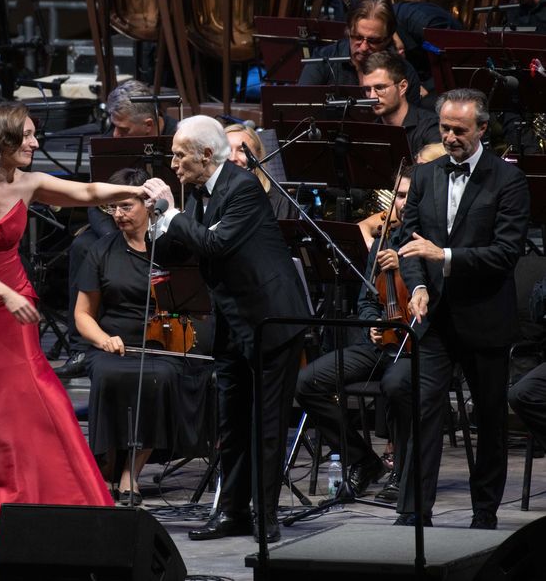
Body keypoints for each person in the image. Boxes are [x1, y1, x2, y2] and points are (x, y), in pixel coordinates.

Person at [0, 101, 148, 541]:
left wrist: (137, 193)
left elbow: (89, 193)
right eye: (29, 135)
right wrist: (5, 294)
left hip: (13, 299)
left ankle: (41, 494)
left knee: (32, 392)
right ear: (3, 139)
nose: (37, 143)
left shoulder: (30, 182)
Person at [143, 115, 309, 543]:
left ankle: (266, 517)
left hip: (271, 319)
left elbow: (215, 244)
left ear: (204, 154)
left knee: (267, 423)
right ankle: (233, 511)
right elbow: (174, 248)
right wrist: (157, 220)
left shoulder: (243, 187)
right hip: (233, 323)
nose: (173, 162)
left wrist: (175, 212)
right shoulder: (197, 193)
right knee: (232, 423)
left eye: (180, 154)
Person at [396, 88, 530, 528]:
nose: (450, 137)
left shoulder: (507, 181)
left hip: (486, 316)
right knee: (424, 408)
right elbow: (410, 242)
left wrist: (446, 258)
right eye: (445, 128)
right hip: (434, 318)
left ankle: (485, 513)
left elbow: (506, 253)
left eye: (460, 130)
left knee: (489, 417)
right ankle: (416, 513)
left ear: (481, 129)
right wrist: (416, 285)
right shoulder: (427, 174)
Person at [74, 167, 210, 505]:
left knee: (160, 376)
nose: (118, 215)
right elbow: (82, 314)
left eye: (125, 207)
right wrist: (103, 339)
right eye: (112, 208)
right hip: (114, 343)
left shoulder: (172, 247)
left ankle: (129, 473)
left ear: (148, 205)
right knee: (107, 373)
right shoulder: (101, 250)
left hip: (164, 344)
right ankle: (108, 461)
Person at [297, 167, 414, 504]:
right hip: (380, 345)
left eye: (409, 196)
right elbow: (366, 299)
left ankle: (403, 470)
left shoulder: (431, 244)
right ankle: (363, 459)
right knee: (308, 382)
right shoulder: (381, 242)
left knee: (396, 385)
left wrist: (404, 266)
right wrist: (372, 323)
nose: (402, 204)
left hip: (415, 347)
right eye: (399, 196)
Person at [57, 79, 179, 380]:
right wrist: (116, 235)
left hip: (167, 223)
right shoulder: (111, 144)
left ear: (149, 125)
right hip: (117, 223)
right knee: (84, 246)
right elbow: (96, 200)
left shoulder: (180, 138)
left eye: (122, 130)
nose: (115, 135)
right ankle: (81, 347)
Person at [298, 0, 424, 105]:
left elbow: (411, 124)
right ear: (348, 31)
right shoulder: (322, 60)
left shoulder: (404, 71)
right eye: (357, 37)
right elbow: (301, 107)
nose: (363, 47)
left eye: (373, 41)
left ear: (388, 39)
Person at [361, 51, 440, 157]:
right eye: (367, 89)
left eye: (379, 88)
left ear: (402, 87)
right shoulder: (370, 132)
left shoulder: (431, 127)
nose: (372, 97)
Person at [224, 123, 299, 220]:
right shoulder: (206, 196)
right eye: (226, 151)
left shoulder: (280, 203)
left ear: (258, 155)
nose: (232, 158)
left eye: (242, 150)